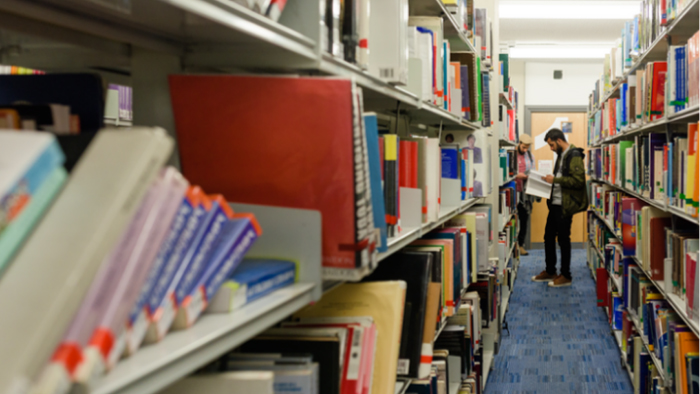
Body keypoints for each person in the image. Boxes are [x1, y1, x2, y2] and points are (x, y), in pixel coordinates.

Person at [531, 128, 588, 288]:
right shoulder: (561, 155)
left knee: (563, 240)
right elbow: (562, 178)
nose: (551, 148)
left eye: (551, 145)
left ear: (559, 140)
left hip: (564, 205)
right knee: (548, 237)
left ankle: (566, 275)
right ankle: (550, 270)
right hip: (555, 203)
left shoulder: (574, 155)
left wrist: (555, 180)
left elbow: (578, 181)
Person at [513, 134, 536, 256]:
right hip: (512, 191)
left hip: (525, 193)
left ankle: (521, 245)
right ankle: (512, 245)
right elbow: (508, 172)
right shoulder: (511, 155)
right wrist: (517, 175)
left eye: (527, 147)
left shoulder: (531, 157)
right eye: (523, 147)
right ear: (519, 143)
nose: (525, 149)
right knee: (512, 219)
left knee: (524, 219)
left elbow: (533, 171)